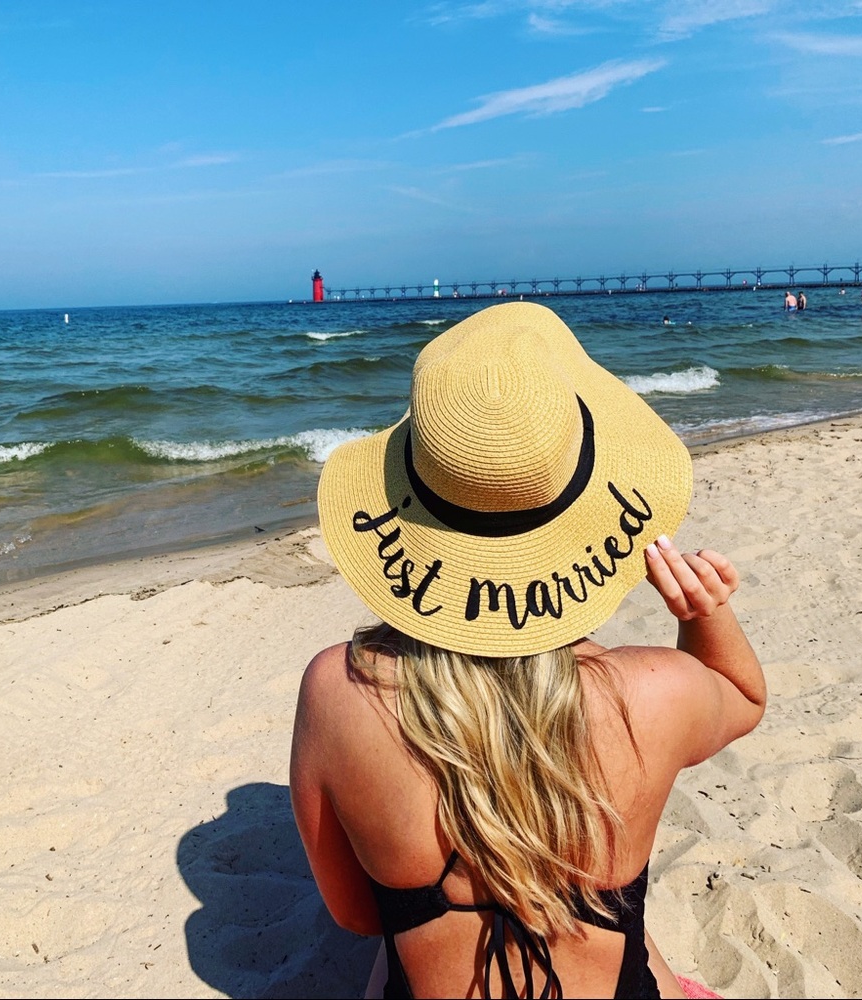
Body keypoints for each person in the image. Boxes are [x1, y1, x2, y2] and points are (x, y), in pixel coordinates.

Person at [291, 302, 765, 1000]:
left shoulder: (341, 691)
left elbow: (357, 916)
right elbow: (745, 698)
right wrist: (704, 614)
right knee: (637, 942)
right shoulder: (653, 693)